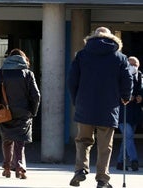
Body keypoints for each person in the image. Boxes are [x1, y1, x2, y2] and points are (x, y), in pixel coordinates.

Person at [67, 27, 133, 188]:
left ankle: (80, 170)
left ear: (92, 37)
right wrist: (126, 97)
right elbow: (127, 79)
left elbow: (72, 80)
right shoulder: (120, 57)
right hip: (108, 106)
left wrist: (76, 99)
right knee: (105, 146)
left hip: (85, 105)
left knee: (83, 140)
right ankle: (102, 179)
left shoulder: (82, 55)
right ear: (111, 37)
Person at [0, 48, 41, 179]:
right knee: (20, 141)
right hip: (23, 112)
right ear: (24, 59)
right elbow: (36, 95)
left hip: (5, 111)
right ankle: (20, 167)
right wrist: (33, 111)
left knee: (7, 139)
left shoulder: (1, 73)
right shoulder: (28, 74)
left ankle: (7, 167)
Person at [116, 56, 142, 171]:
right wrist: (126, 97)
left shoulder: (140, 76)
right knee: (129, 136)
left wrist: (140, 97)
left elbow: (141, 90)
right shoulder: (120, 75)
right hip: (122, 112)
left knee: (127, 138)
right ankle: (134, 160)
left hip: (134, 113)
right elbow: (115, 91)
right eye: (131, 64)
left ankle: (120, 162)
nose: (133, 67)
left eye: (135, 65)